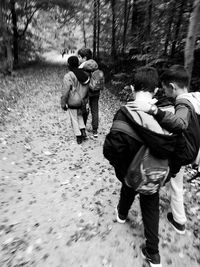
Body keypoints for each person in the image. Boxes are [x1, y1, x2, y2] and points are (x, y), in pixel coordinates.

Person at [103, 67, 177, 267]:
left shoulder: (123, 114)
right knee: (150, 204)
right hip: (156, 172)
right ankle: (153, 254)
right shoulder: (169, 114)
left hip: (131, 171)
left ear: (131, 87)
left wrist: (123, 169)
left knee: (128, 188)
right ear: (155, 91)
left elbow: (112, 150)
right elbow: (177, 149)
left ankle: (121, 214)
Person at [127, 65, 200, 235]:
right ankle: (178, 219)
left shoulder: (182, 102)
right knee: (176, 183)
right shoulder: (196, 98)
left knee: (169, 178)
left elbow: (180, 124)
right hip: (194, 151)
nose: (164, 92)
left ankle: (178, 220)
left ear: (172, 87)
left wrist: (154, 110)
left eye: (166, 89)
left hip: (182, 153)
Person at [61, 56, 90, 144]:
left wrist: (63, 103)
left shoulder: (68, 76)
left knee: (74, 118)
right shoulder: (85, 74)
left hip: (73, 101)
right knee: (80, 115)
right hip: (83, 100)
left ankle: (78, 136)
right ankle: (83, 131)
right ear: (78, 63)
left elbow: (65, 92)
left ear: (68, 64)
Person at [78, 47, 103, 138]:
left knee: (84, 109)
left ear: (84, 58)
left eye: (80, 57)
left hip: (87, 91)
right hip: (96, 90)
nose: (79, 59)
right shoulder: (95, 64)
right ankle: (95, 131)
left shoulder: (82, 67)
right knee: (95, 110)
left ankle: (82, 129)